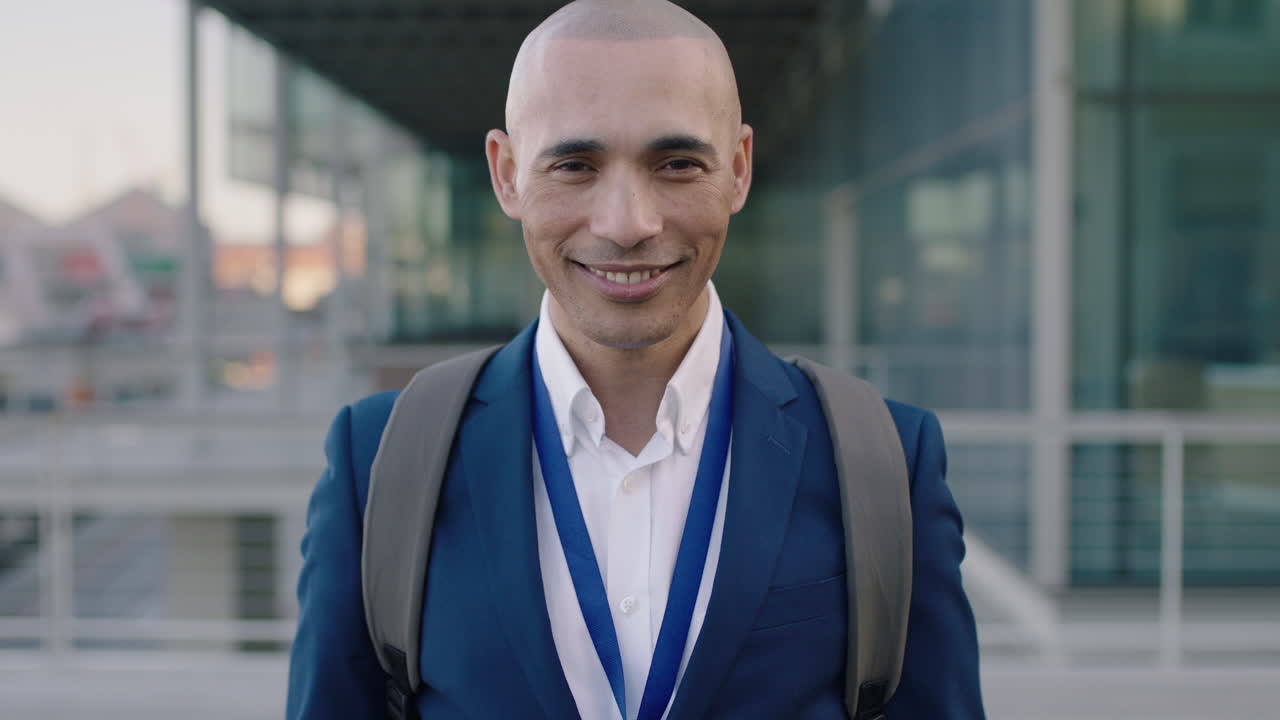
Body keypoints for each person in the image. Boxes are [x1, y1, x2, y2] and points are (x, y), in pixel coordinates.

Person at [286, 1, 984, 718]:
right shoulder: (380, 465)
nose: (627, 224)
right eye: (575, 165)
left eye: (678, 163)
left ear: (738, 170)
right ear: (507, 174)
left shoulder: (881, 465)